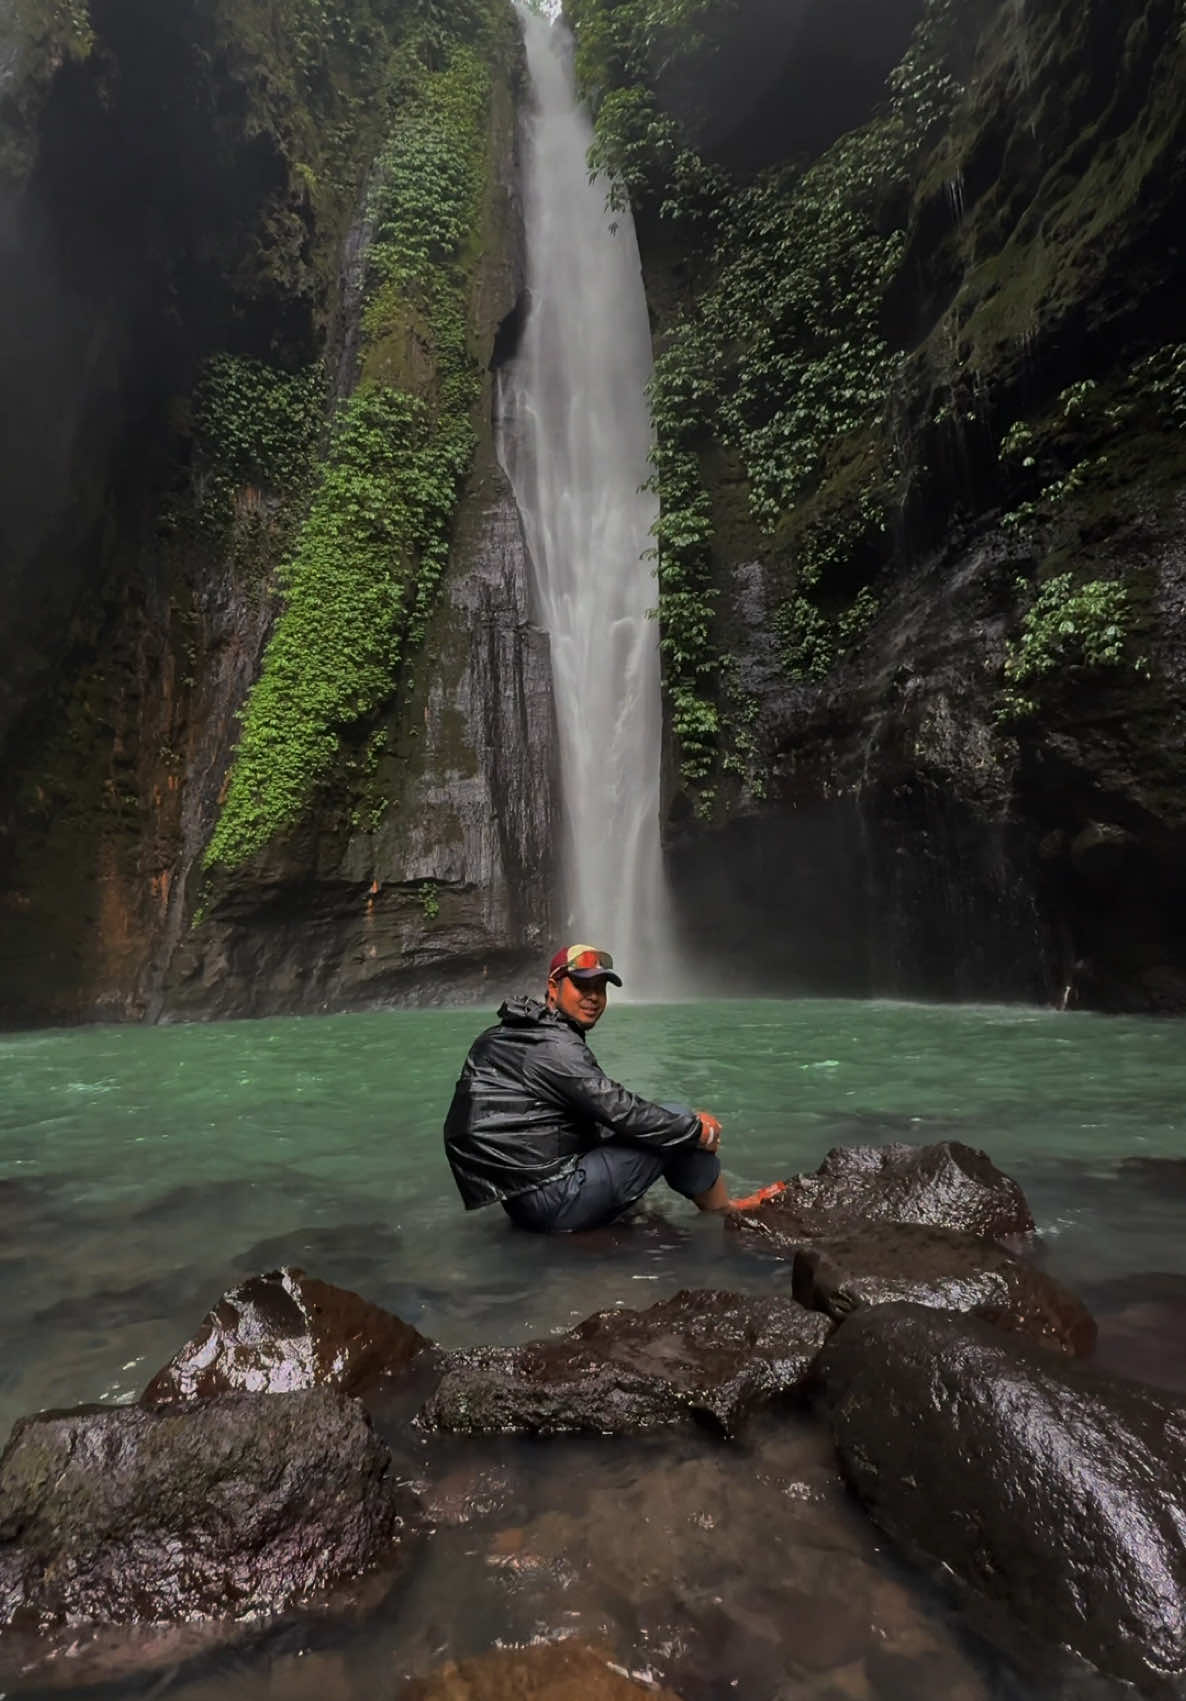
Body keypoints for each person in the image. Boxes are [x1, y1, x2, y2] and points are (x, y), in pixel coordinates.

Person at [443, 942, 736, 1232]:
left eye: (600, 988)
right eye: (583, 986)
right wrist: (699, 1131)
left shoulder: (521, 1031)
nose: (593, 997)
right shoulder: (554, 1046)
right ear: (553, 987)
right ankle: (724, 1213)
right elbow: (622, 1112)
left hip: (522, 1199)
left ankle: (714, 1207)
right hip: (554, 1199)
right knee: (677, 1116)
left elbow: (601, 1113)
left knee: (663, 1123)